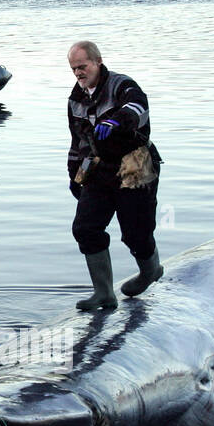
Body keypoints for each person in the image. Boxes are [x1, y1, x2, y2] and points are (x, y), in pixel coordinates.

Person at [66, 40, 163, 311]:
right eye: (73, 69)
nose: (78, 73)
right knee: (85, 228)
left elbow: (138, 106)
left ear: (98, 62)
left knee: (136, 233)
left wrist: (116, 121)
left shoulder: (123, 85)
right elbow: (77, 142)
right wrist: (75, 175)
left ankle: (150, 271)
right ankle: (103, 293)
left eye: (82, 67)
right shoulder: (76, 99)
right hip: (98, 168)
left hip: (135, 164)